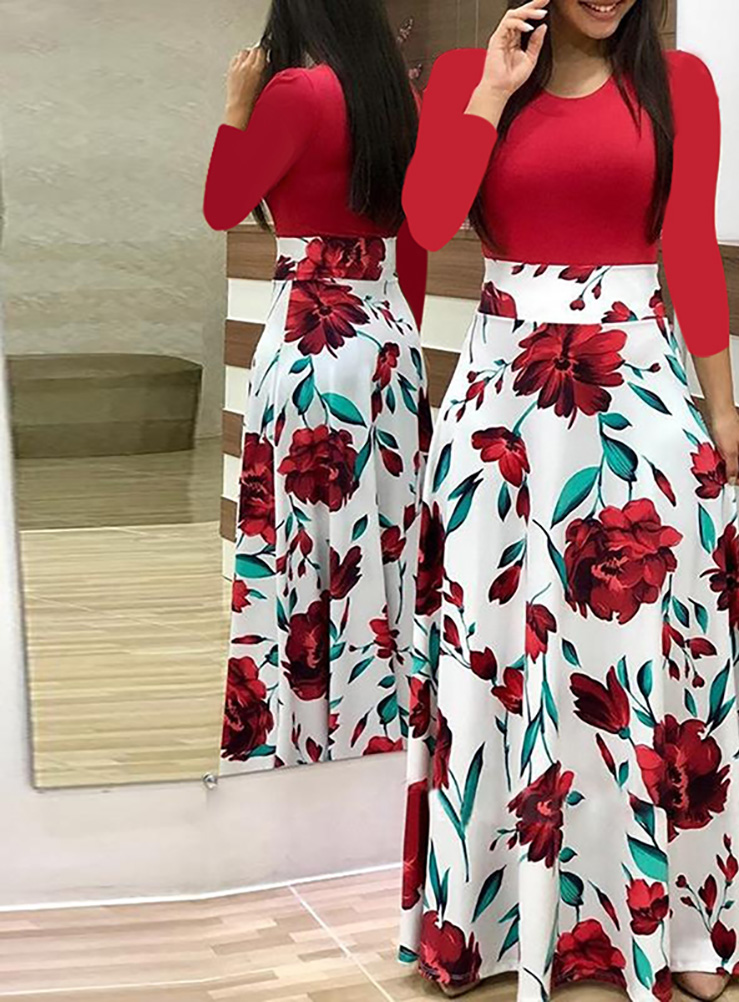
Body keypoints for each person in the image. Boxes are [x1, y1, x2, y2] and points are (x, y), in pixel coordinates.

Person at [397, 1, 739, 999]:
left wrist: (722, 407)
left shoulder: (680, 84)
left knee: (650, 656)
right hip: (503, 412)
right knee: (501, 658)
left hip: (643, 394)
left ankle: (682, 932)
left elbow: (690, 245)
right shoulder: (463, 78)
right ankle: (491, 927)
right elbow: (427, 223)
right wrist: (494, 91)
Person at [203, 0, 430, 773]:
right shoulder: (399, 98)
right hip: (390, 344)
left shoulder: (294, 94)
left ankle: (304, 735)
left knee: (305, 540)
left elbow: (223, 205)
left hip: (311, 340)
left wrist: (236, 105)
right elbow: (415, 243)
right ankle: (382, 730)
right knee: (387, 538)